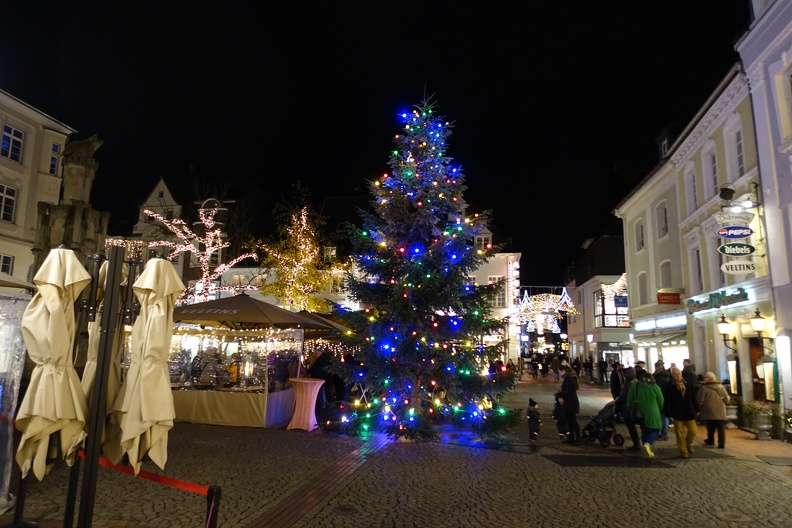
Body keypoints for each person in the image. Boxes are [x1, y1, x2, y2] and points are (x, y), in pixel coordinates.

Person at [663, 366, 700, 459]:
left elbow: (693, 397)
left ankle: (689, 443)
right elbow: (667, 401)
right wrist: (668, 413)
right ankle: (683, 450)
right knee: (679, 433)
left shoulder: (688, 383)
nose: (678, 376)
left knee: (693, 430)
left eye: (679, 373)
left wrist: (697, 408)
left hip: (689, 411)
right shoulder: (669, 386)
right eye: (676, 374)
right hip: (677, 412)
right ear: (672, 375)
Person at [627, 371, 664, 458]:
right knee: (655, 430)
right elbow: (661, 401)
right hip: (653, 411)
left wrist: (630, 408)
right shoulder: (655, 387)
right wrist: (659, 409)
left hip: (639, 412)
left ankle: (645, 445)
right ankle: (647, 444)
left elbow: (629, 400)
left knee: (644, 429)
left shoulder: (635, 386)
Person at [698, 371, 730, 448]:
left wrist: (699, 408)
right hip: (720, 410)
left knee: (710, 426)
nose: (703, 378)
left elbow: (700, 400)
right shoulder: (721, 386)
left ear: (709, 378)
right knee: (720, 428)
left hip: (709, 409)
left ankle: (710, 440)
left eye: (705, 377)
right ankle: (721, 443)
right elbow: (727, 398)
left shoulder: (704, 388)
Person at [615, 367, 641, 451]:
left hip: (628, 407)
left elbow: (624, 396)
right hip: (633, 407)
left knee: (631, 426)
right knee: (632, 426)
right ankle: (637, 443)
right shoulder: (636, 381)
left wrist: (617, 401)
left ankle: (636, 444)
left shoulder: (628, 384)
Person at [555, 365, 580, 444]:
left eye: (559, 372)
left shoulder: (569, 379)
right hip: (570, 402)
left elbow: (566, 392)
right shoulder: (570, 378)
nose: (559, 374)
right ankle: (572, 438)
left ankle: (577, 438)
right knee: (570, 421)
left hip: (571, 403)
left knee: (572, 421)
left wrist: (557, 394)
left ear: (563, 371)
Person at [653, 360, 672, 440]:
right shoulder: (667, 375)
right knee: (664, 416)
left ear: (657, 367)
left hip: (661, 398)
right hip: (667, 397)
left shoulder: (658, 376)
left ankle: (664, 434)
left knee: (663, 416)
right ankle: (664, 433)